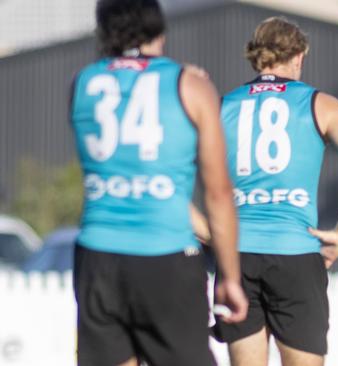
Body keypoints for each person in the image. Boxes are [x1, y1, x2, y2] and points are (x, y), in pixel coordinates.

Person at [69, 1, 247, 365]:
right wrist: (229, 275)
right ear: (159, 30)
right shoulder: (189, 84)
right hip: (165, 256)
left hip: (98, 256)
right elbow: (217, 191)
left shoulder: (82, 83)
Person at [212, 16, 338, 366]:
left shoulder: (222, 105)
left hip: (238, 255)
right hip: (296, 253)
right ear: (299, 55)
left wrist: (207, 231)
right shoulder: (319, 104)